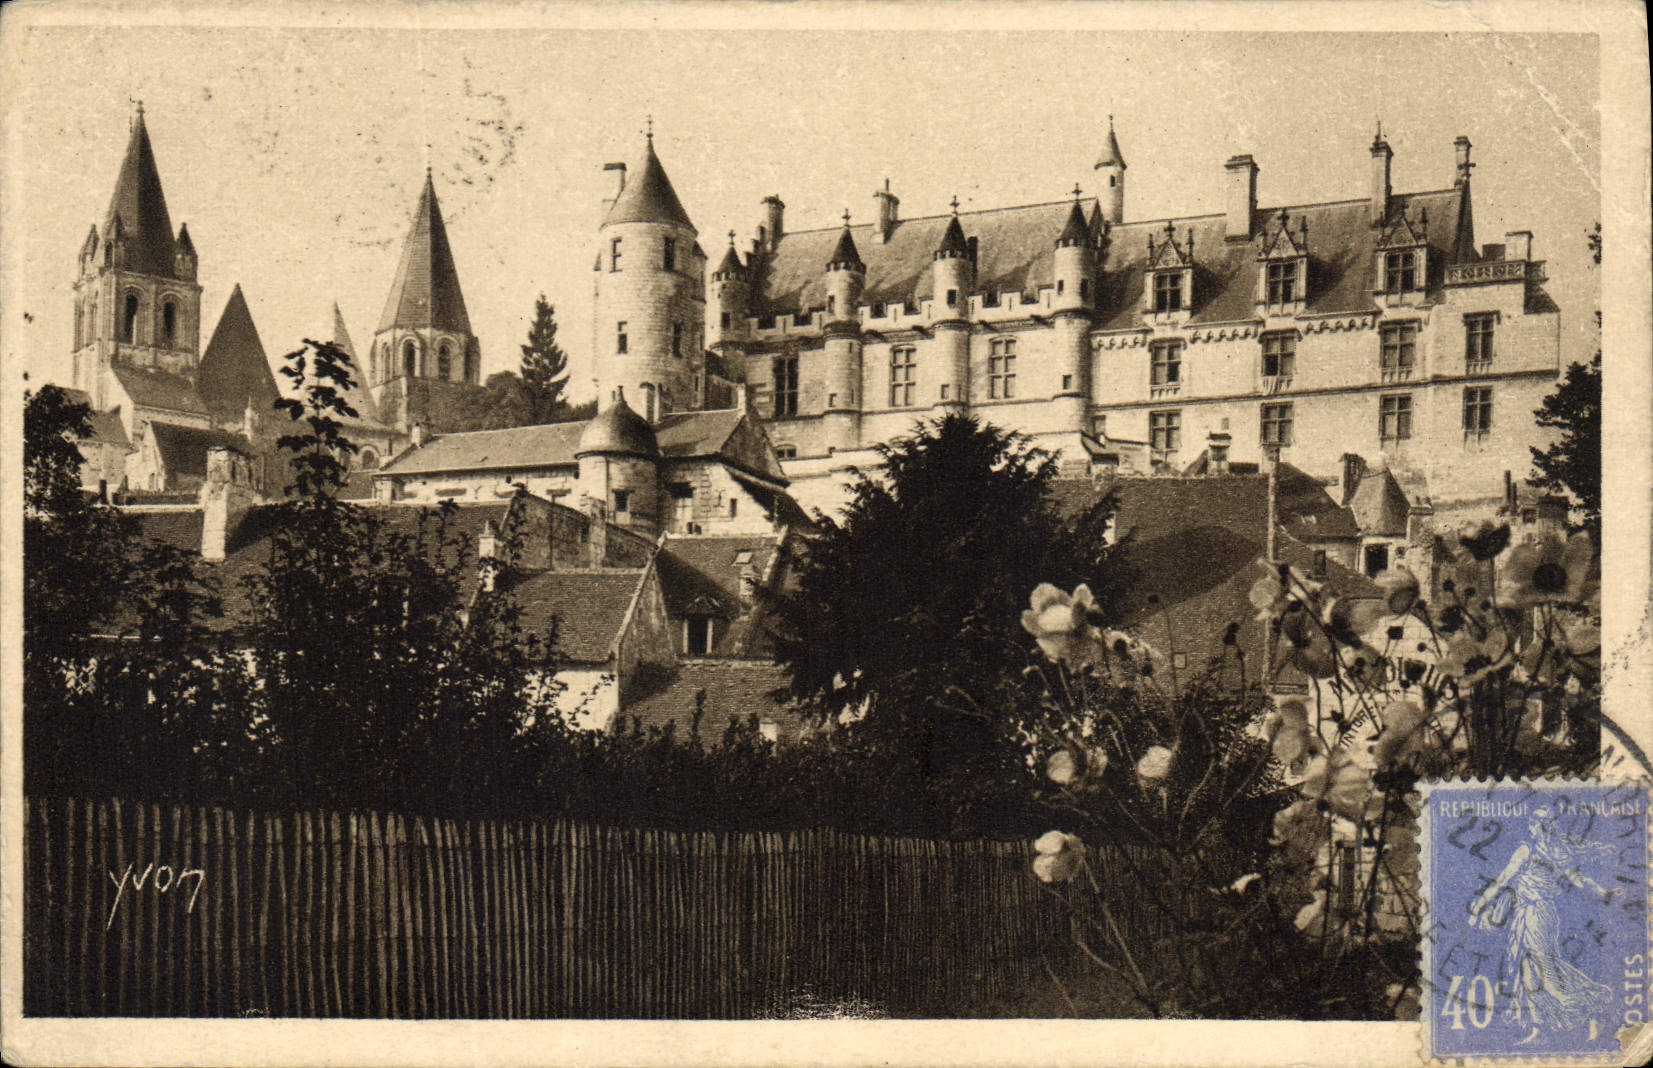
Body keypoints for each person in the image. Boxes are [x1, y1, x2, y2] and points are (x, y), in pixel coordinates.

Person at [1468, 804, 1619, 1041]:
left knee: (1544, 970)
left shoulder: (1531, 851)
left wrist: (1478, 907)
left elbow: (1502, 881)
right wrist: (1604, 893)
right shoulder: (1546, 852)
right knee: (1527, 969)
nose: (1531, 827)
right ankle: (1537, 1027)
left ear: (1541, 826)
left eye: (1533, 823)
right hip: (1528, 914)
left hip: (1537, 915)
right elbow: (1504, 881)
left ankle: (1588, 1008)